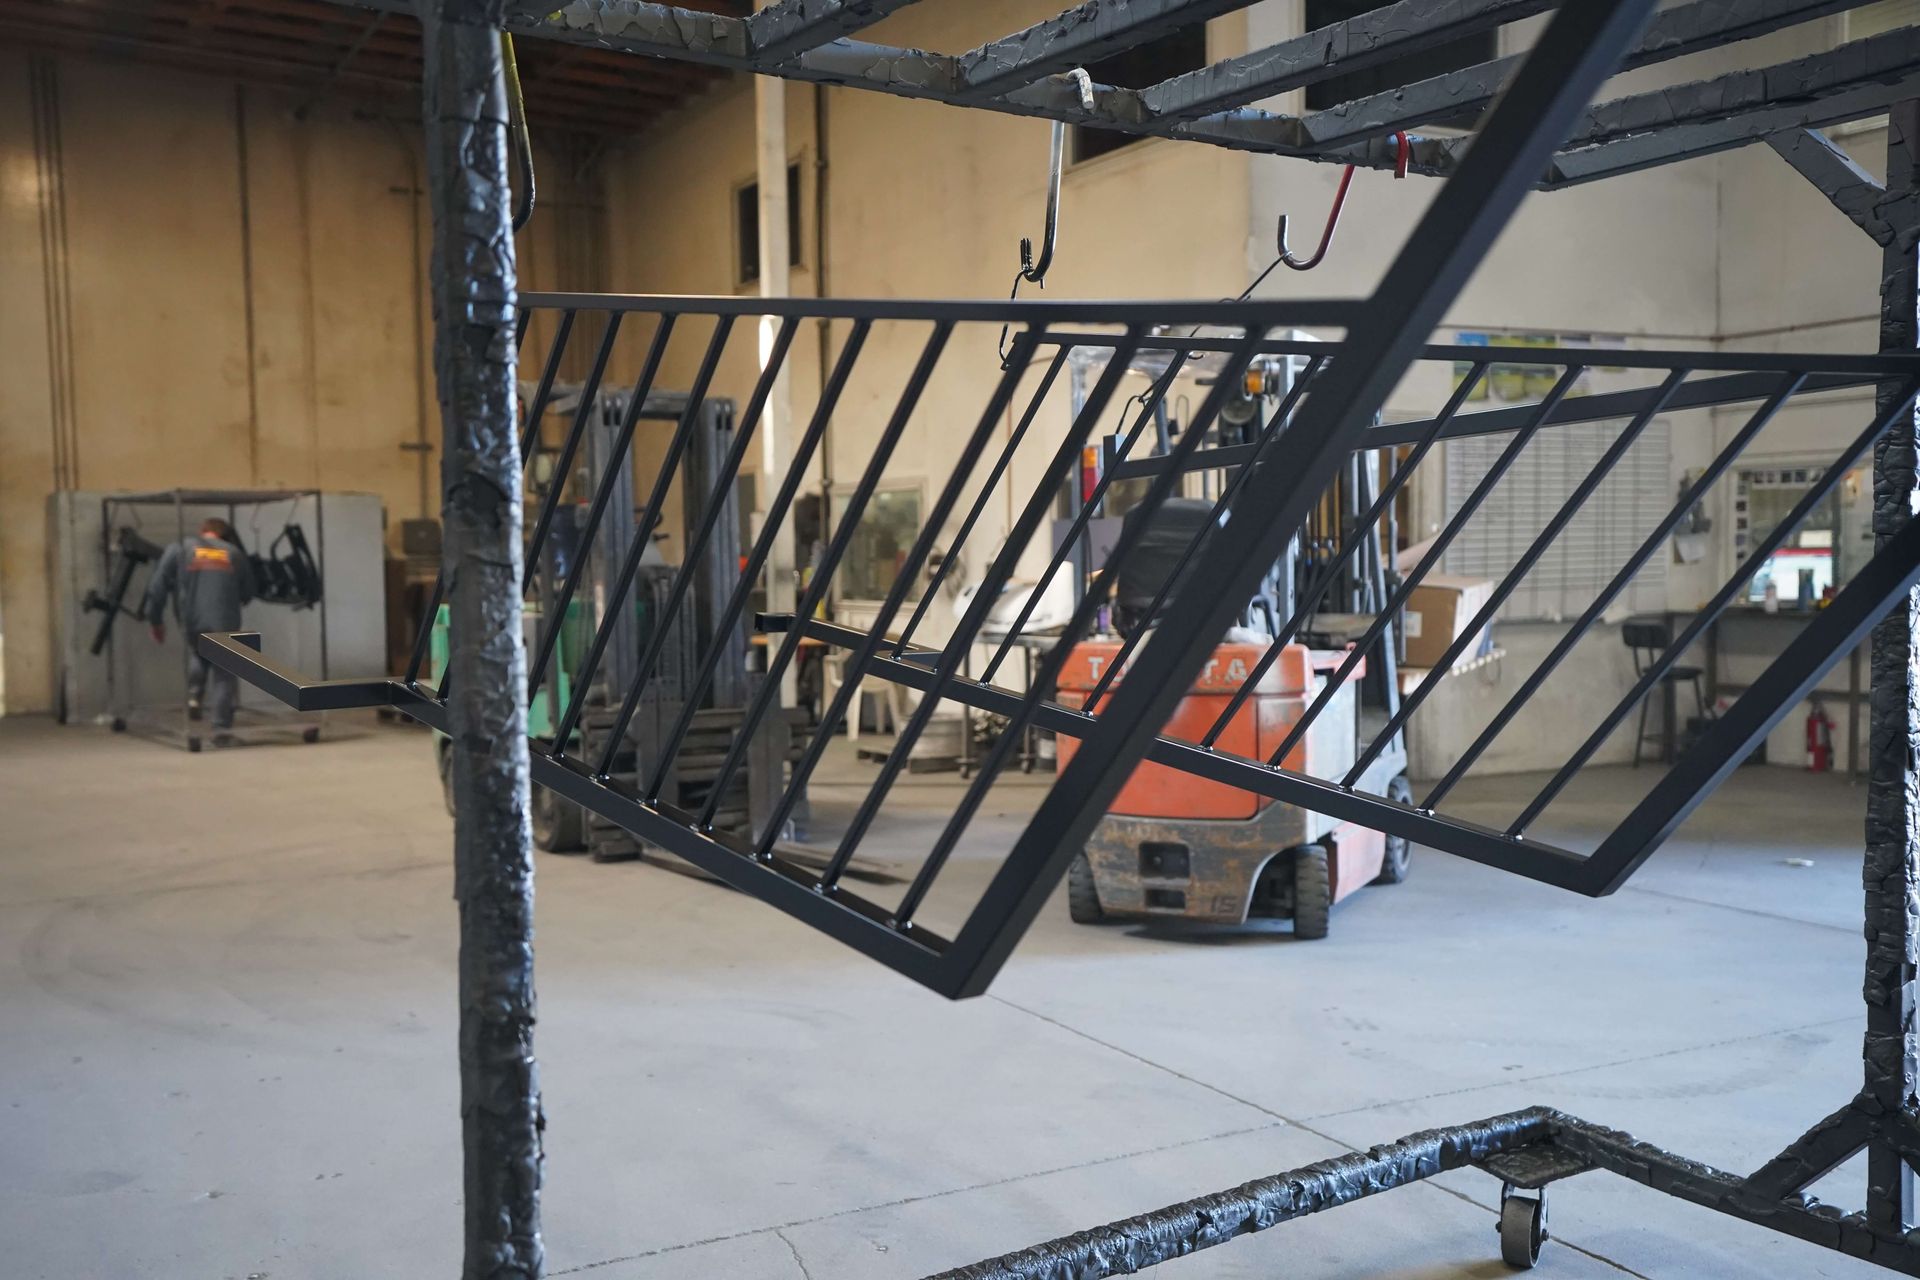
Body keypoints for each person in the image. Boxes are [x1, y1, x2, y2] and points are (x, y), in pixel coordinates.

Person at [143, 517, 255, 738]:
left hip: (192, 620)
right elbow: (249, 589)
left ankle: (195, 695)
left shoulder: (179, 548)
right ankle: (221, 728)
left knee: (199, 651)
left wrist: (155, 620)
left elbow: (157, 588)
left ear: (203, 531)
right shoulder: (233, 553)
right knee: (224, 673)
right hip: (224, 621)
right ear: (224, 535)